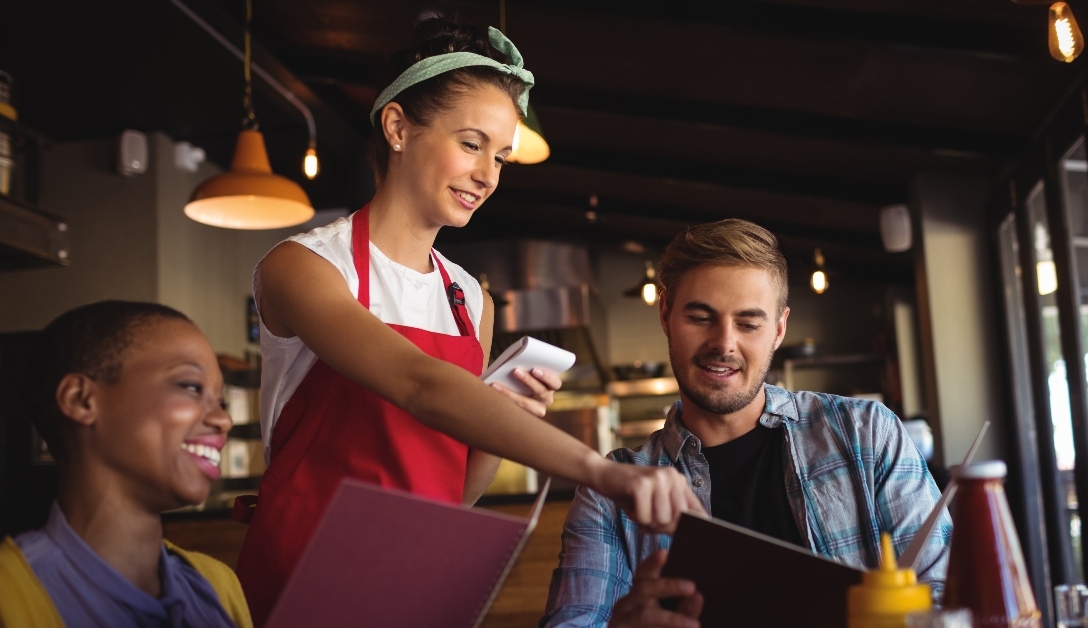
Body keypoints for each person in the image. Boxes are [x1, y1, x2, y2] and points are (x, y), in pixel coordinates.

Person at [236, 17, 701, 625]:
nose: (489, 175)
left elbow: (453, 493)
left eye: (502, 156)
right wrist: (602, 472)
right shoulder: (305, 268)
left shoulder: (469, 300)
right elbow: (419, 386)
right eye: (471, 143)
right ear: (399, 127)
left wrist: (503, 410)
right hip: (303, 578)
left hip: (414, 581)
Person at [542, 220, 952, 627]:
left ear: (778, 329)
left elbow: (947, 596)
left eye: (748, 324)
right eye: (701, 317)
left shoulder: (867, 434)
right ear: (665, 314)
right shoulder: (610, 492)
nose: (723, 343)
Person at [0, 301, 250, 627]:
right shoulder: (10, 599)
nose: (223, 419)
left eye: (221, 401)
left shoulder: (220, 585)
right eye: (190, 387)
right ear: (81, 400)